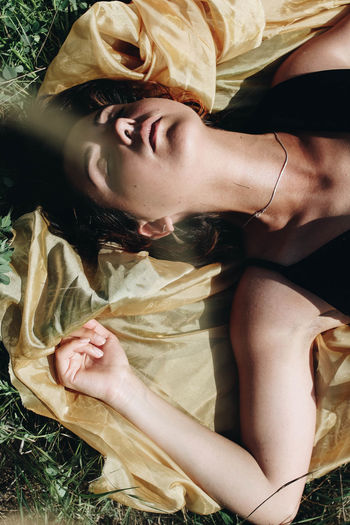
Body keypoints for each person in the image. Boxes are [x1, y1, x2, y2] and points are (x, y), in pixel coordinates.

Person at [25, 11, 350, 524]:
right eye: (106, 164)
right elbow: (273, 498)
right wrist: (123, 389)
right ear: (152, 226)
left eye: (117, 115)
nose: (125, 129)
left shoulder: (312, 78)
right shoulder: (277, 300)